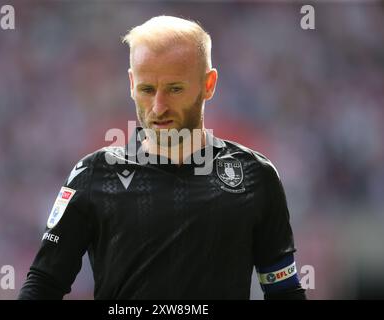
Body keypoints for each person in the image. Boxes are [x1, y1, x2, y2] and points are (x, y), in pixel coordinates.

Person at [18, 15, 306, 300]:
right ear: (131, 84)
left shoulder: (255, 176)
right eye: (147, 89)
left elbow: (284, 291)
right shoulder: (93, 174)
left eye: (174, 89)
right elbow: (44, 284)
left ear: (208, 84)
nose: (158, 107)